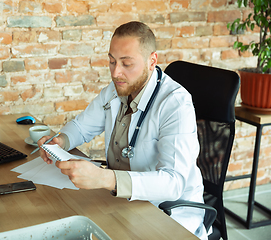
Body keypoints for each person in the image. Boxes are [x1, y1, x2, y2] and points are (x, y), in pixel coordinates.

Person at [38, 21, 207, 239]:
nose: (116, 72)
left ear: (151, 61)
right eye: (111, 61)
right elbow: (81, 127)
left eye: (127, 64)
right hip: (123, 202)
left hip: (167, 214)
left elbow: (173, 183)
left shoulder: (175, 104)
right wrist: (60, 141)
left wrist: (105, 179)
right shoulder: (116, 89)